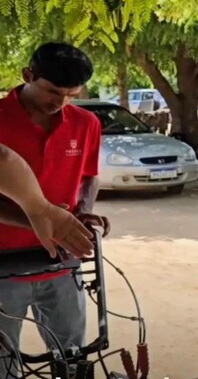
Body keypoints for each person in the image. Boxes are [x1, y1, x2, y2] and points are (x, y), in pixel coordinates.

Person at [0, 42, 109, 377]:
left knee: (73, 359)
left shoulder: (86, 123)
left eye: (71, 95)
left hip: (62, 265)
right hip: (4, 264)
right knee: (3, 363)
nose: (60, 103)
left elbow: (89, 175)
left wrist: (80, 214)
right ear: (27, 75)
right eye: (52, 92)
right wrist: (42, 221)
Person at [0, 144, 94, 257]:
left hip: (60, 247)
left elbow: (90, 172)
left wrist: (41, 209)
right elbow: (3, 157)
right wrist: (40, 209)